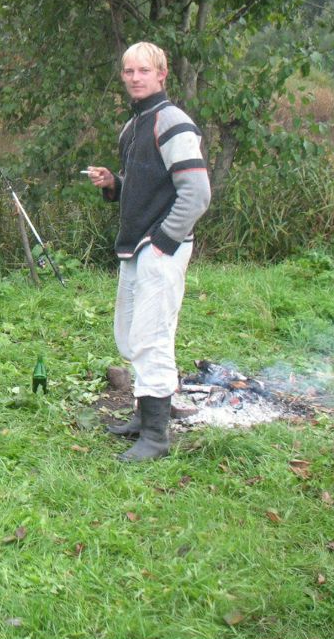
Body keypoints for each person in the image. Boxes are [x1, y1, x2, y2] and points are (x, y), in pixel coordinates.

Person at [85, 42, 211, 462]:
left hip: (160, 248)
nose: (135, 77)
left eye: (143, 70)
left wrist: (163, 243)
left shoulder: (173, 123)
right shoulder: (133, 126)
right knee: (131, 335)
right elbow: (144, 187)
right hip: (137, 246)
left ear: (162, 74)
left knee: (152, 337)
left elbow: (196, 194)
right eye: (127, 71)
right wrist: (114, 185)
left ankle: (156, 437)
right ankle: (143, 415)